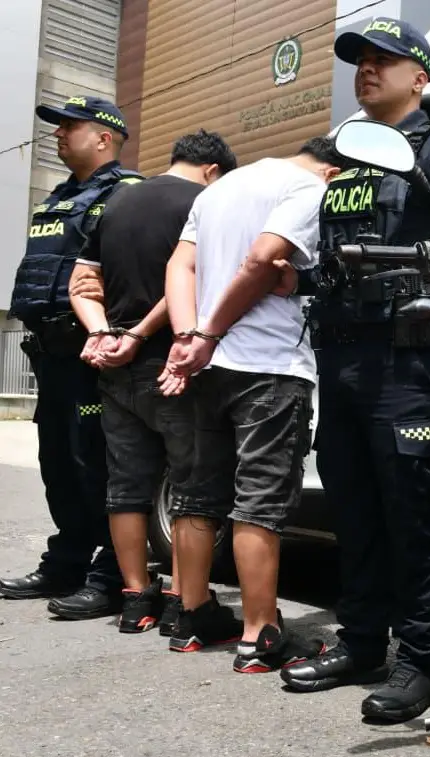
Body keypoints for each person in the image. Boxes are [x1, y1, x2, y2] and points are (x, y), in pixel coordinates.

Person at [277, 18, 430, 723]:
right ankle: (360, 642)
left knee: (413, 516)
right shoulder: (351, 156)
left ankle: (420, 662)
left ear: (420, 77)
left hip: (408, 362)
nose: (367, 70)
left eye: (384, 60)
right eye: (360, 61)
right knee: (353, 510)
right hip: (342, 360)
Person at [156, 137, 345, 673]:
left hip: (207, 368)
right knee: (259, 498)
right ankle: (261, 634)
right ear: (332, 171)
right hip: (268, 365)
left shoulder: (220, 188)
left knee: (196, 494)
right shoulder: (308, 188)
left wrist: (188, 336)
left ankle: (192, 616)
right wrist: (210, 333)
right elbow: (263, 259)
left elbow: (180, 266)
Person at [67, 130, 238, 635]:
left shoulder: (117, 202)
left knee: (125, 485)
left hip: (115, 369)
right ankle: (186, 602)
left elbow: (82, 284)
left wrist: (102, 333)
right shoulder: (204, 203)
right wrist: (140, 335)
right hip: (173, 365)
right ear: (213, 170)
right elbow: (188, 280)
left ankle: (135, 598)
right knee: (191, 485)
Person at [1, 96, 142, 619]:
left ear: (105, 137)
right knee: (58, 465)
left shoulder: (127, 194)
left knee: (95, 466)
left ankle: (112, 575)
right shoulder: (60, 197)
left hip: (93, 357)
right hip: (49, 356)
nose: (58, 134)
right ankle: (66, 562)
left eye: (70, 126)